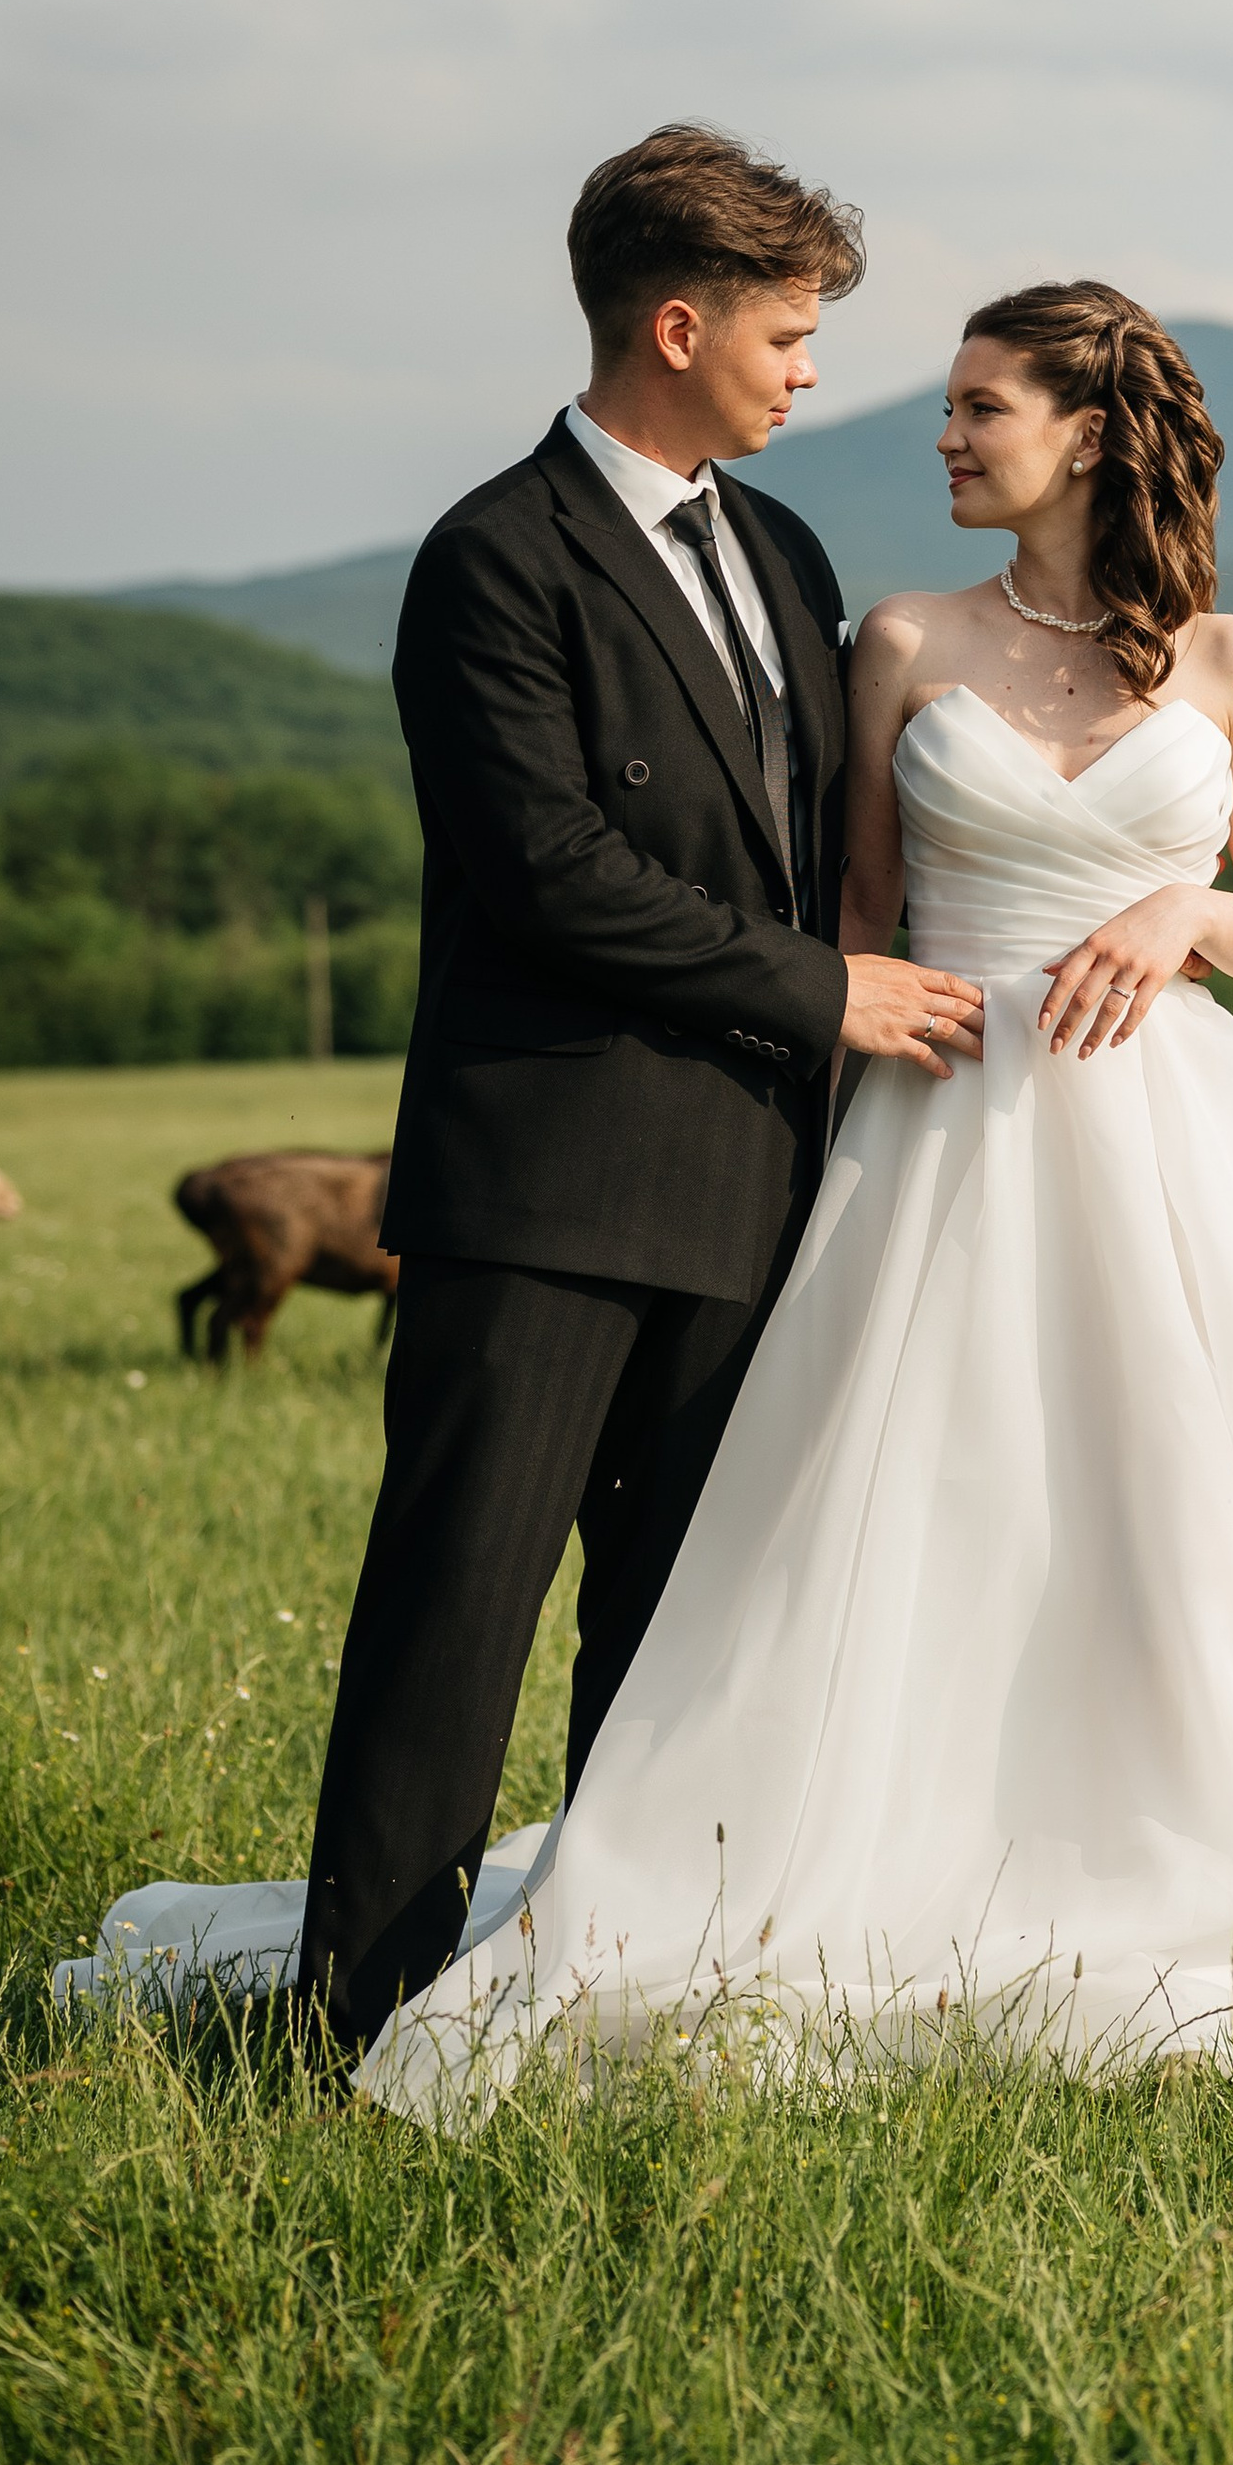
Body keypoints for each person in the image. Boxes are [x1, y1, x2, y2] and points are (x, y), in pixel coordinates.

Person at [64, 276, 1233, 2083]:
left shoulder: (1229, 660)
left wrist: (1191, 906)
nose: (944, 433)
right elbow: (857, 921)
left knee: (1194, 1506)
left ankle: (1187, 1828)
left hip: (1172, 1137)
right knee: (918, 1506)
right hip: (942, 1130)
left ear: (1096, 432)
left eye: (983, 407)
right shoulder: (895, 637)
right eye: (949, 405)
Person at [284, 125, 986, 2055]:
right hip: (545, 1181)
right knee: (457, 1610)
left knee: (678, 1631)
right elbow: (549, 873)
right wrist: (824, 992)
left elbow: (824, 843)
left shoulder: (786, 549)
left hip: (753, 1177)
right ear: (677, 326)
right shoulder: (493, 560)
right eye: (790, 332)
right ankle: (351, 2025)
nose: (811, 371)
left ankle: (599, 1996)